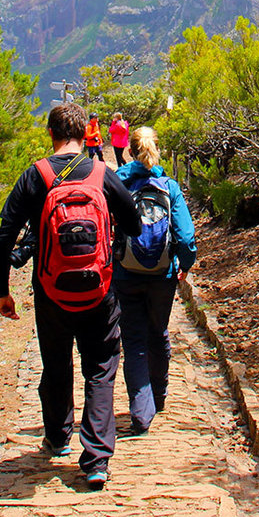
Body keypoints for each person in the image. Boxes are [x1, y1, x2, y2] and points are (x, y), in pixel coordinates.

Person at [0, 102, 141, 489]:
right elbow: (135, 223)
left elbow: (5, 234)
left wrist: (2, 290)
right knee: (101, 367)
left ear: (51, 134)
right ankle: (96, 459)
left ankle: (58, 436)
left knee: (56, 363)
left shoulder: (35, 176)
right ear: (84, 134)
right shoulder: (101, 173)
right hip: (100, 290)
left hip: (51, 292)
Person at [112, 126, 197, 435]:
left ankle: (141, 411)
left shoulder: (119, 181)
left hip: (126, 272)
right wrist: (183, 265)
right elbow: (186, 237)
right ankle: (158, 397)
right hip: (163, 274)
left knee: (133, 339)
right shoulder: (168, 185)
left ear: (130, 151)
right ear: (156, 149)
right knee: (158, 331)